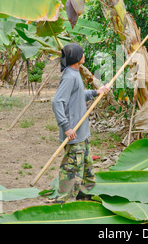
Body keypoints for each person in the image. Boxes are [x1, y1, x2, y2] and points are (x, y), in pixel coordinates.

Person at [51, 43, 110, 203]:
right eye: (82, 53)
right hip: (74, 133)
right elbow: (57, 102)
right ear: (77, 58)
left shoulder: (74, 73)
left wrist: (95, 92)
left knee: (87, 166)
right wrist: (66, 127)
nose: (84, 55)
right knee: (71, 168)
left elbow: (77, 94)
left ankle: (85, 196)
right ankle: (63, 201)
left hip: (82, 133)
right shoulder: (70, 76)